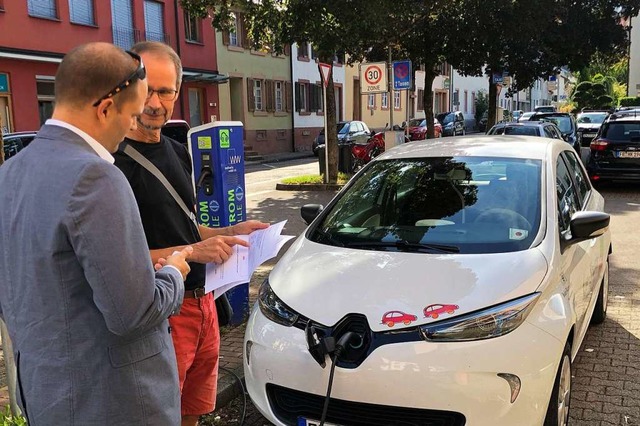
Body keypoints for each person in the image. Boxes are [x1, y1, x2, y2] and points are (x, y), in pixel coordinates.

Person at [0, 42, 193, 425]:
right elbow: (132, 314)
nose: (132, 127)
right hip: (113, 400)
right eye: (132, 115)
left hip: (45, 392)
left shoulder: (10, 173)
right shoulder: (96, 176)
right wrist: (173, 272)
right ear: (106, 108)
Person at [113, 41, 269, 426]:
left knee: (195, 409)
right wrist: (194, 251)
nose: (155, 102)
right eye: (147, 89)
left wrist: (232, 231)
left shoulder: (177, 150)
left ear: (177, 94)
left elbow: (187, 224)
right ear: (126, 88)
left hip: (204, 305)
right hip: (163, 311)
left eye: (165, 91)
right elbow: (116, 261)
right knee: (158, 414)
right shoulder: (110, 164)